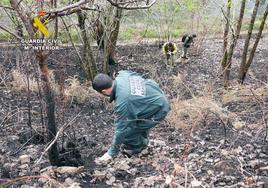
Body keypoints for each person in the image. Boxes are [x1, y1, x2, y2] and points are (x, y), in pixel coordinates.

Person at [92, 70, 170, 163]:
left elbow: (121, 130)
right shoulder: (122, 75)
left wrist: (112, 152)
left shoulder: (124, 103)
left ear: (104, 91)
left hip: (160, 109)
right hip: (154, 93)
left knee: (129, 131)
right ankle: (142, 141)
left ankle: (137, 150)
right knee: (135, 122)